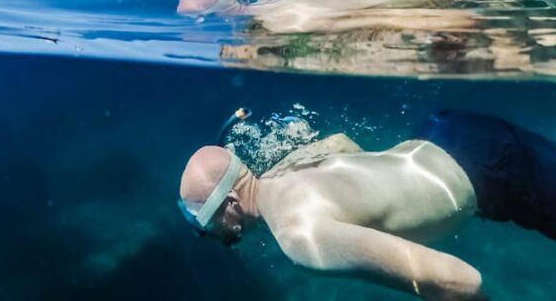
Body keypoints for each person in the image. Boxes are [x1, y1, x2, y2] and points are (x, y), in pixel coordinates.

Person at [179, 110, 556, 300]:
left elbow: (460, 281)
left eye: (202, 222)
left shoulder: (299, 237)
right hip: (441, 130)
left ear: (230, 202)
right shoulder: (282, 170)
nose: (206, 235)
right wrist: (378, 194)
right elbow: (342, 142)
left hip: (491, 168)